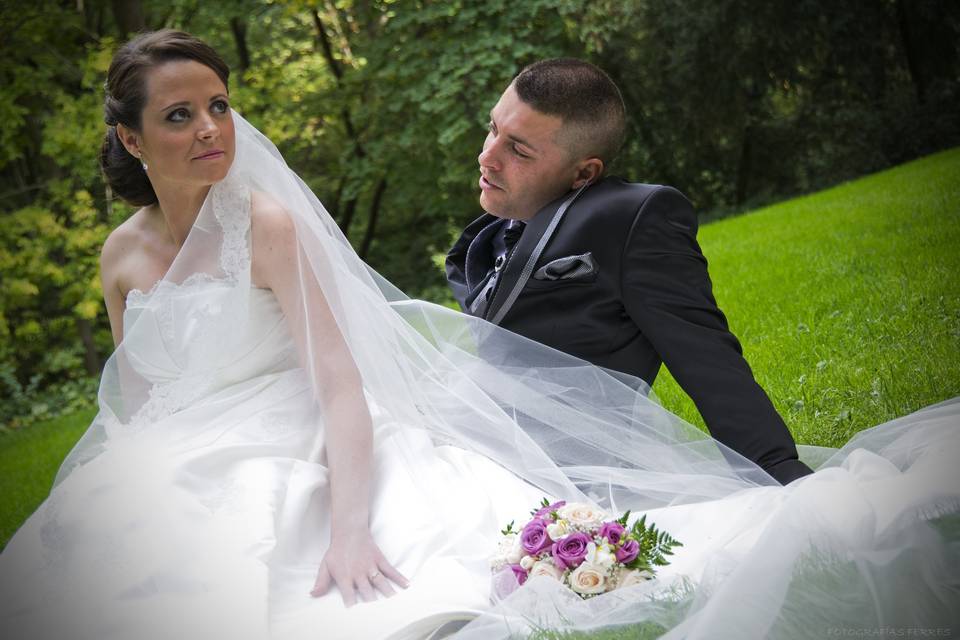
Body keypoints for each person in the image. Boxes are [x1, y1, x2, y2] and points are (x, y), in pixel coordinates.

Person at [1, 30, 958, 640]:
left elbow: (340, 382)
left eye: (220, 106)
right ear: (131, 139)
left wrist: (347, 526)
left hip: (339, 436)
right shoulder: (121, 258)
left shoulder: (270, 227)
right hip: (182, 453)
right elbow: (135, 400)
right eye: (180, 115)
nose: (213, 128)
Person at [446, 59, 813, 485]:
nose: (485, 157)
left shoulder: (631, 219)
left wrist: (780, 472)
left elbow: (706, 358)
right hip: (481, 447)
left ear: (585, 172)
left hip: (576, 477)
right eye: (493, 129)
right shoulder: (489, 235)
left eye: (519, 150)